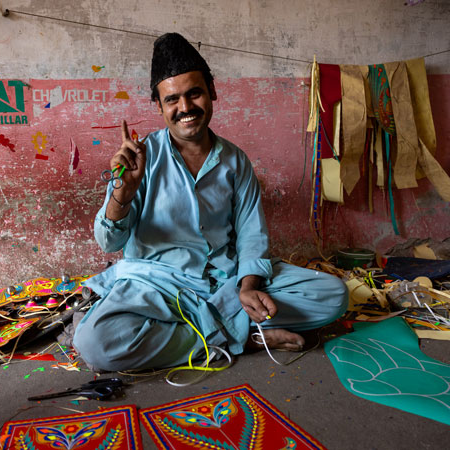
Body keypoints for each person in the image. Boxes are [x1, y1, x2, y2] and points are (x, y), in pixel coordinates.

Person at [73, 32, 348, 372]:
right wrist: (122, 194)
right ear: (159, 108)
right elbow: (109, 242)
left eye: (194, 93)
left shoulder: (236, 161)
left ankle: (201, 334)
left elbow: (251, 237)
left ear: (212, 92)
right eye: (172, 100)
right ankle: (243, 338)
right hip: (157, 285)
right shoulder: (139, 159)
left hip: (226, 284)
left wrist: (248, 287)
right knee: (95, 343)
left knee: (333, 296)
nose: (185, 108)